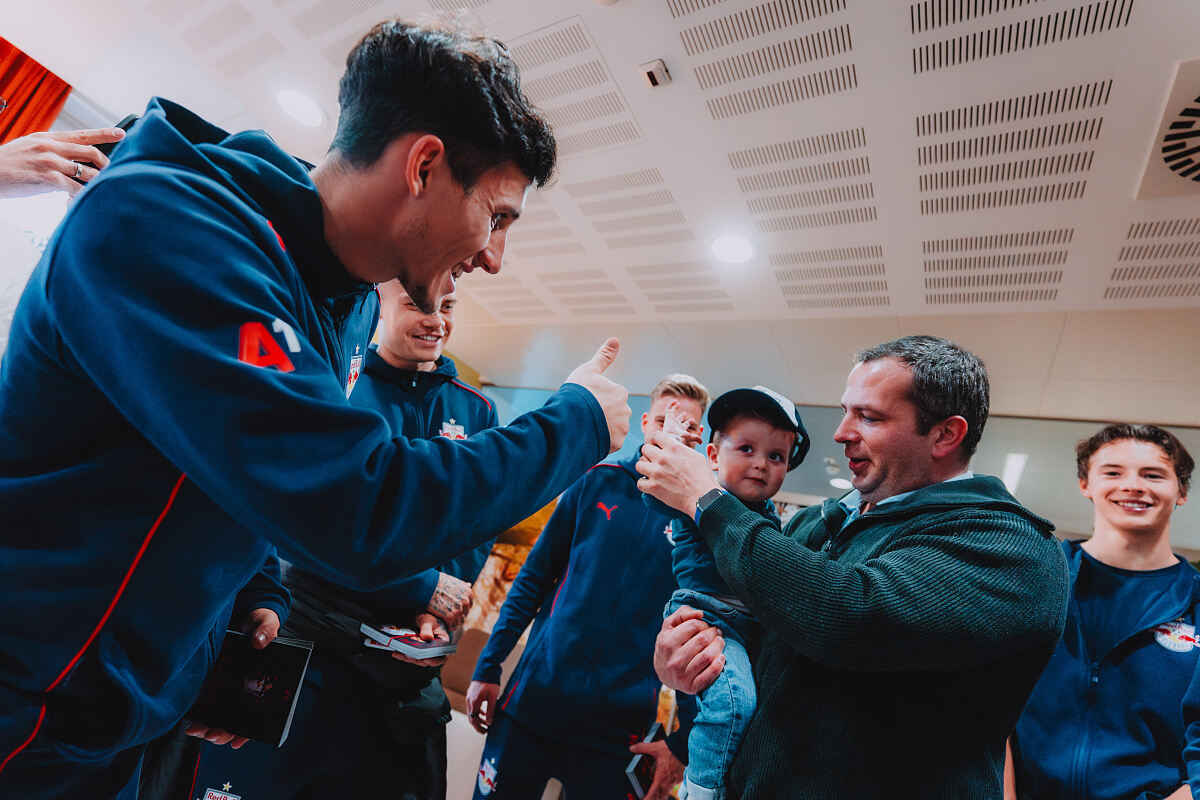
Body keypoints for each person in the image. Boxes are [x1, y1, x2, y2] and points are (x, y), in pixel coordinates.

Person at [0, 19, 630, 800]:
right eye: (496, 216)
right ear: (424, 164)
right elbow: (358, 505)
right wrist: (576, 423)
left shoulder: (346, 302)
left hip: (131, 710)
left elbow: (237, 469)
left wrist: (249, 601)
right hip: (29, 707)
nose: (494, 256)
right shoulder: (163, 222)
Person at [637, 335, 1070, 799]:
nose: (842, 432)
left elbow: (846, 615)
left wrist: (708, 500)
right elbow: (760, 635)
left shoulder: (1013, 549)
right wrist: (683, 661)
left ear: (945, 434)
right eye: (846, 411)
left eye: (868, 416)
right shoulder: (813, 523)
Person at [157, 282, 502, 800]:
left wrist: (439, 609)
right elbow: (311, 520)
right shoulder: (344, 386)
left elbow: (475, 520)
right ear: (381, 307)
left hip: (402, 667)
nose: (436, 319)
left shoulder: (477, 410)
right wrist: (420, 586)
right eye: (418, 305)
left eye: (448, 307)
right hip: (312, 637)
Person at [465, 375, 710, 800]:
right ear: (647, 421)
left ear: (698, 437)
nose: (673, 429)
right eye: (666, 417)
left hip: (618, 731)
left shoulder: (698, 521)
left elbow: (699, 630)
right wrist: (488, 666)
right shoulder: (596, 477)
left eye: (686, 423)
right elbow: (534, 578)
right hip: (534, 703)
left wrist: (681, 740)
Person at [1007, 424, 1197, 800]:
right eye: (1113, 472)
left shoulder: (1195, 598)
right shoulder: (1035, 579)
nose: (1133, 485)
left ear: (1182, 492)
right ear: (1085, 484)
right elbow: (989, 704)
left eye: (1153, 474)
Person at [662, 386, 808, 800]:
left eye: (776, 456)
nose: (761, 464)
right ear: (711, 456)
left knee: (747, 708)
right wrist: (671, 443)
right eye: (746, 448)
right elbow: (656, 490)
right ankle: (702, 790)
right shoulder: (700, 497)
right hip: (710, 617)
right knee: (731, 703)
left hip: (750, 625)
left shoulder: (771, 519)